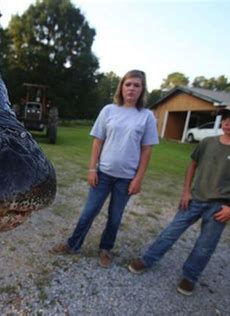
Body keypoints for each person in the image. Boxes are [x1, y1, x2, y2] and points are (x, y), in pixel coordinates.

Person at [127, 101, 230, 296]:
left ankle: (190, 277)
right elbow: (192, 165)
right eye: (225, 118)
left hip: (219, 207)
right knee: (170, 232)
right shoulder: (208, 142)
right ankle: (147, 259)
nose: (226, 122)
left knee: (205, 246)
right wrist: (186, 191)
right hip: (193, 200)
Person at [49, 70, 159, 268]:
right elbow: (98, 141)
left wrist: (138, 179)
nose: (132, 89)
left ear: (142, 89)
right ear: (121, 87)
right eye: (128, 84)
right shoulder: (108, 110)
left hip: (126, 178)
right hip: (103, 174)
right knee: (88, 212)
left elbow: (146, 150)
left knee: (115, 217)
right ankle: (73, 244)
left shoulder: (146, 116)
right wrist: (92, 169)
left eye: (136, 85)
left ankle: (105, 249)